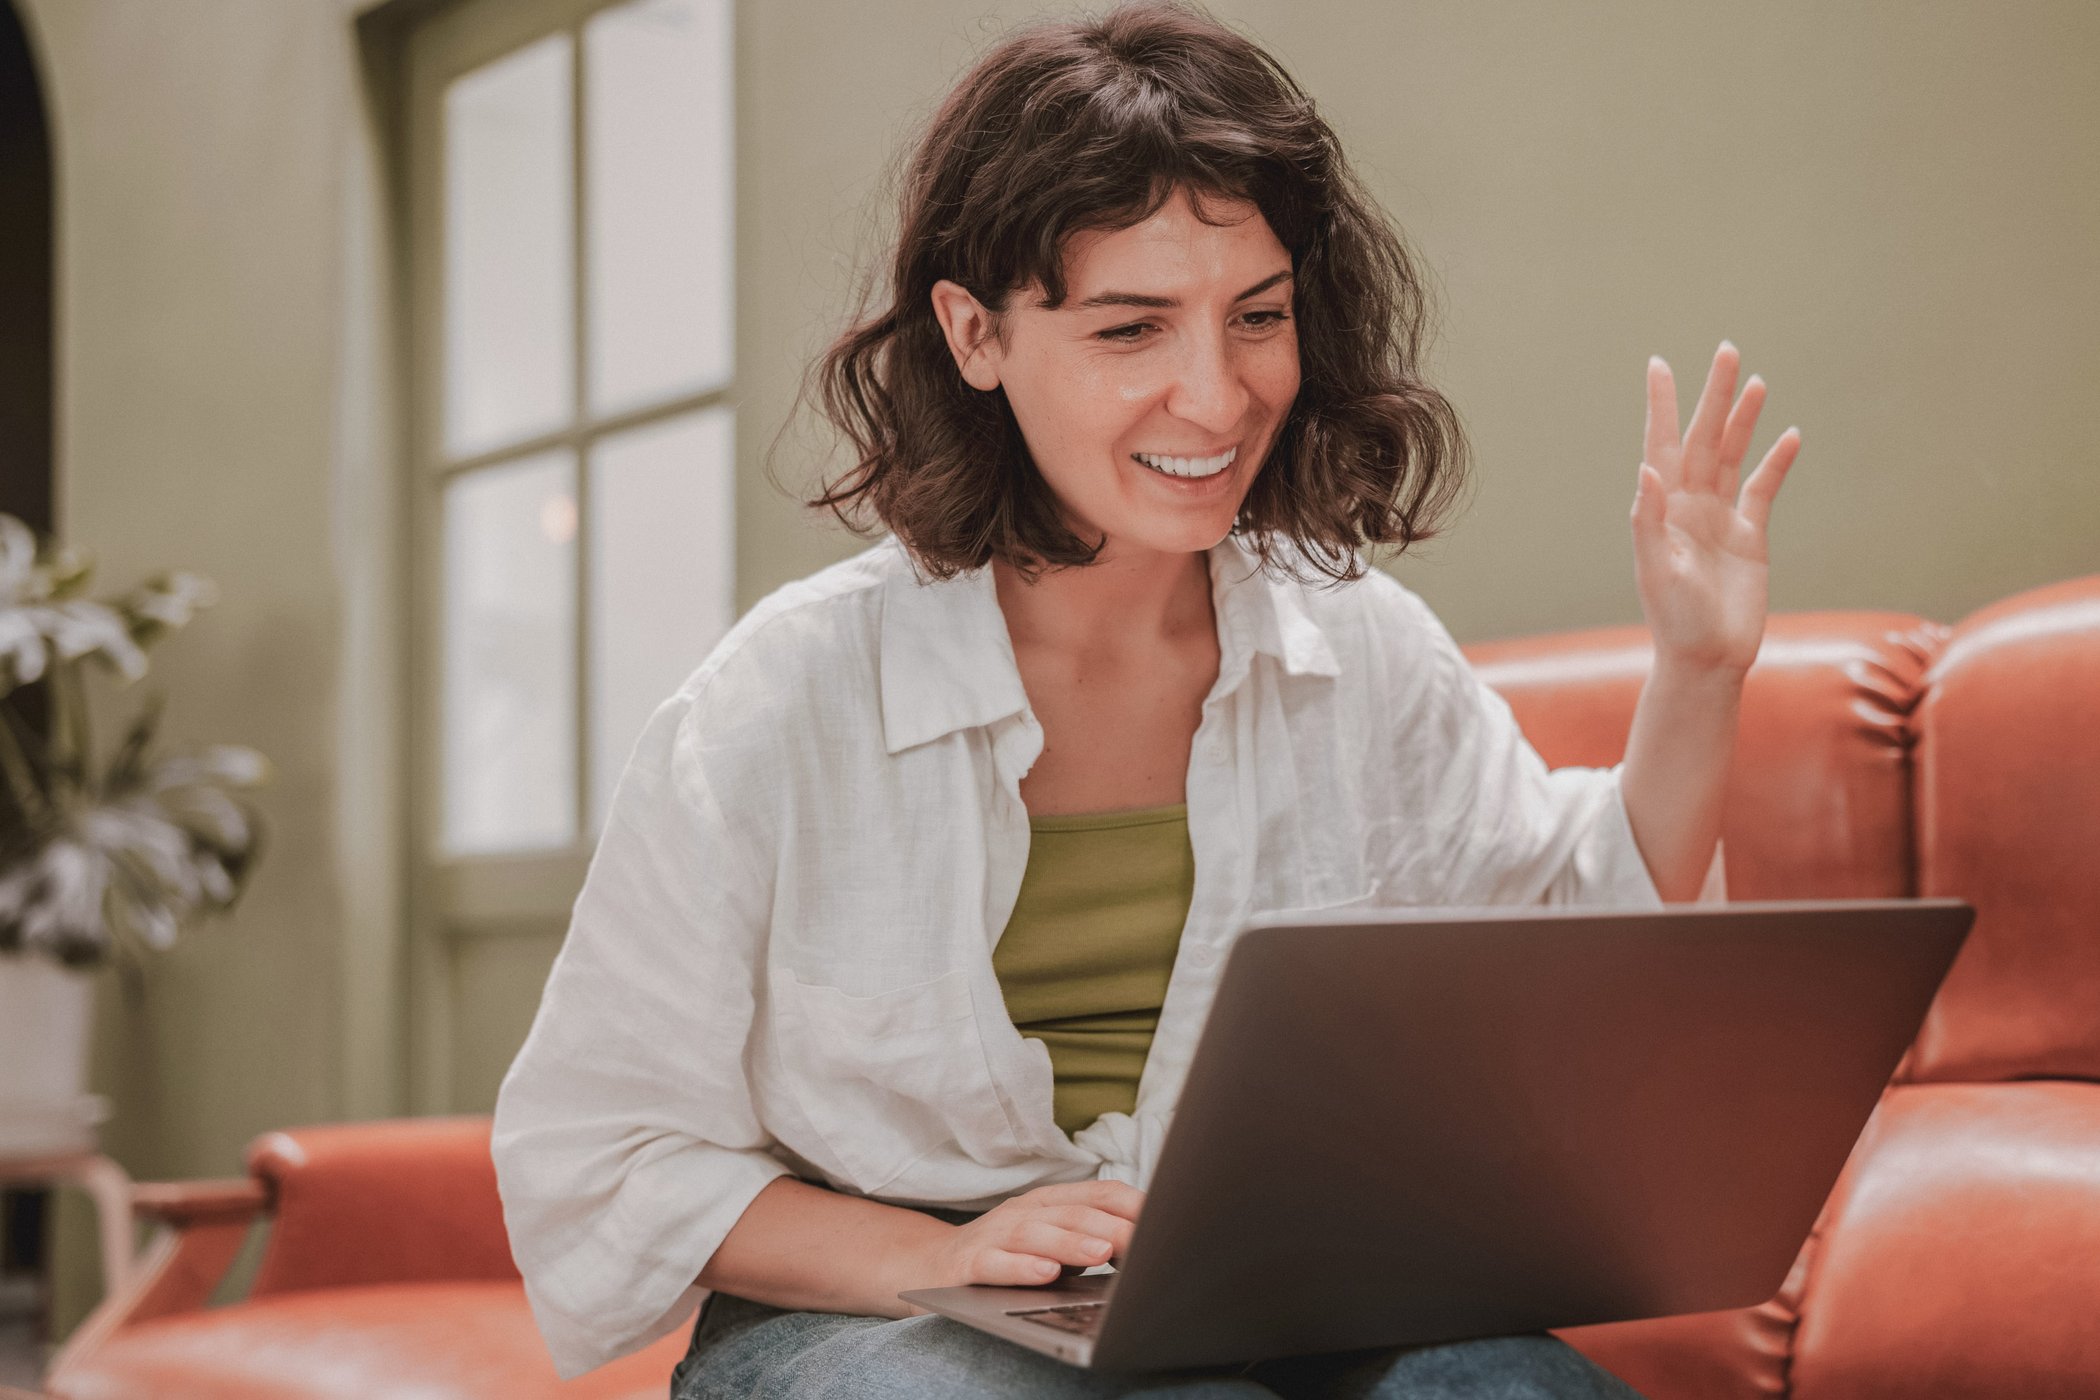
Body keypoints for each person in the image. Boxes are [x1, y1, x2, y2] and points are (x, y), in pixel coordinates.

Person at [490, 2, 1797, 1396]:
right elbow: (603, 1152)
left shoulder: (1361, 649)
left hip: (1270, 1280)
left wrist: (1700, 670)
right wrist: (940, 1253)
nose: (1217, 399)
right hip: (879, 1310)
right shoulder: (778, 702)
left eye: (1258, 319)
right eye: (1131, 329)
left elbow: (1581, 929)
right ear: (974, 334)